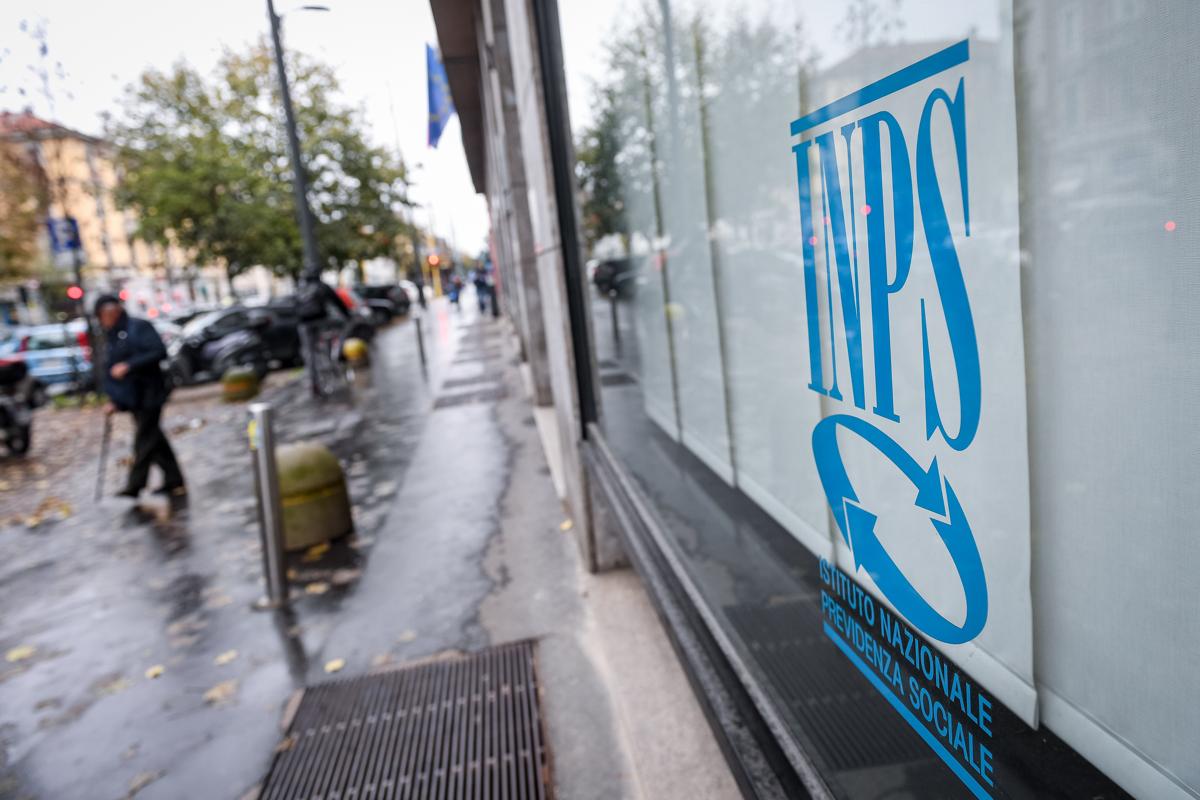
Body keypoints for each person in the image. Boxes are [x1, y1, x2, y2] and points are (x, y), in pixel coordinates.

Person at [96, 294, 185, 498]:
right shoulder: (112, 335)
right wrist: (115, 400)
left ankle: (135, 485)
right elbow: (110, 369)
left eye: (103, 315)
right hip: (134, 397)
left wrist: (129, 365)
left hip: (150, 393)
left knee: (145, 439)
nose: (102, 320)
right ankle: (174, 479)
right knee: (155, 438)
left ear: (112, 312)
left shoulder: (138, 327)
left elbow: (158, 352)